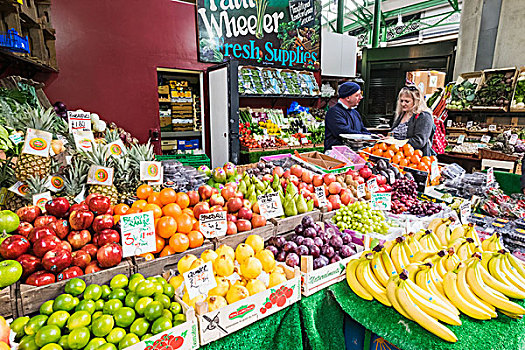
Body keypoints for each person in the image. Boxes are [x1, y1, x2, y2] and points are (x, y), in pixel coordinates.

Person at [324, 82, 370, 151]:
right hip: (336, 156)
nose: (361, 97)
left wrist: (374, 136)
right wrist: (367, 137)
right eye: (357, 95)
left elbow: (362, 129)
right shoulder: (334, 112)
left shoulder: (355, 113)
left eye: (361, 94)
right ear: (348, 97)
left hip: (354, 154)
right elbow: (345, 132)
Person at [391, 85, 436, 156]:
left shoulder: (424, 116)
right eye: (401, 101)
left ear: (416, 101)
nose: (403, 104)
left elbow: (419, 141)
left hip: (416, 159)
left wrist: (395, 142)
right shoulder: (402, 114)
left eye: (407, 101)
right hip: (398, 156)